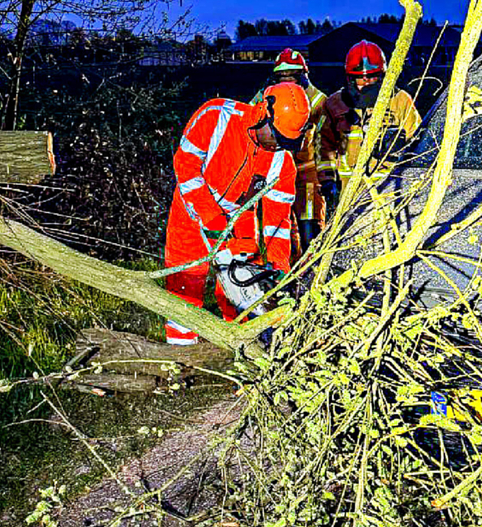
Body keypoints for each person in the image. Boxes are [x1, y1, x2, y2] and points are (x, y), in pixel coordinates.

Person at [163, 82, 310, 345]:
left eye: (287, 141)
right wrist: (211, 219)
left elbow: (278, 222)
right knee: (184, 286)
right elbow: (185, 167)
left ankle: (242, 351)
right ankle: (179, 356)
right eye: (277, 137)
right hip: (191, 209)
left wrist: (277, 266)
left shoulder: (282, 162)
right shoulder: (215, 116)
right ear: (263, 113)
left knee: (242, 287)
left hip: (239, 219)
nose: (279, 145)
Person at [318, 40, 421, 216]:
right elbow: (322, 146)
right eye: (360, 77)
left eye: (371, 76)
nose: (366, 81)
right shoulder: (335, 104)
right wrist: (327, 180)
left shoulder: (400, 100)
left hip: (388, 192)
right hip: (348, 192)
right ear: (349, 77)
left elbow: (418, 142)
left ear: (382, 74)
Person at [250, 48, 328, 253]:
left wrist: (327, 174)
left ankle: (314, 269)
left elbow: (326, 140)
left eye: (292, 76)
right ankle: (290, 274)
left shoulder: (318, 101)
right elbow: (250, 128)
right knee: (283, 228)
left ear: (302, 76)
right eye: (282, 76)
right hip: (276, 172)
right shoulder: (264, 96)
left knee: (311, 229)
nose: (287, 81)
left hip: (306, 174)